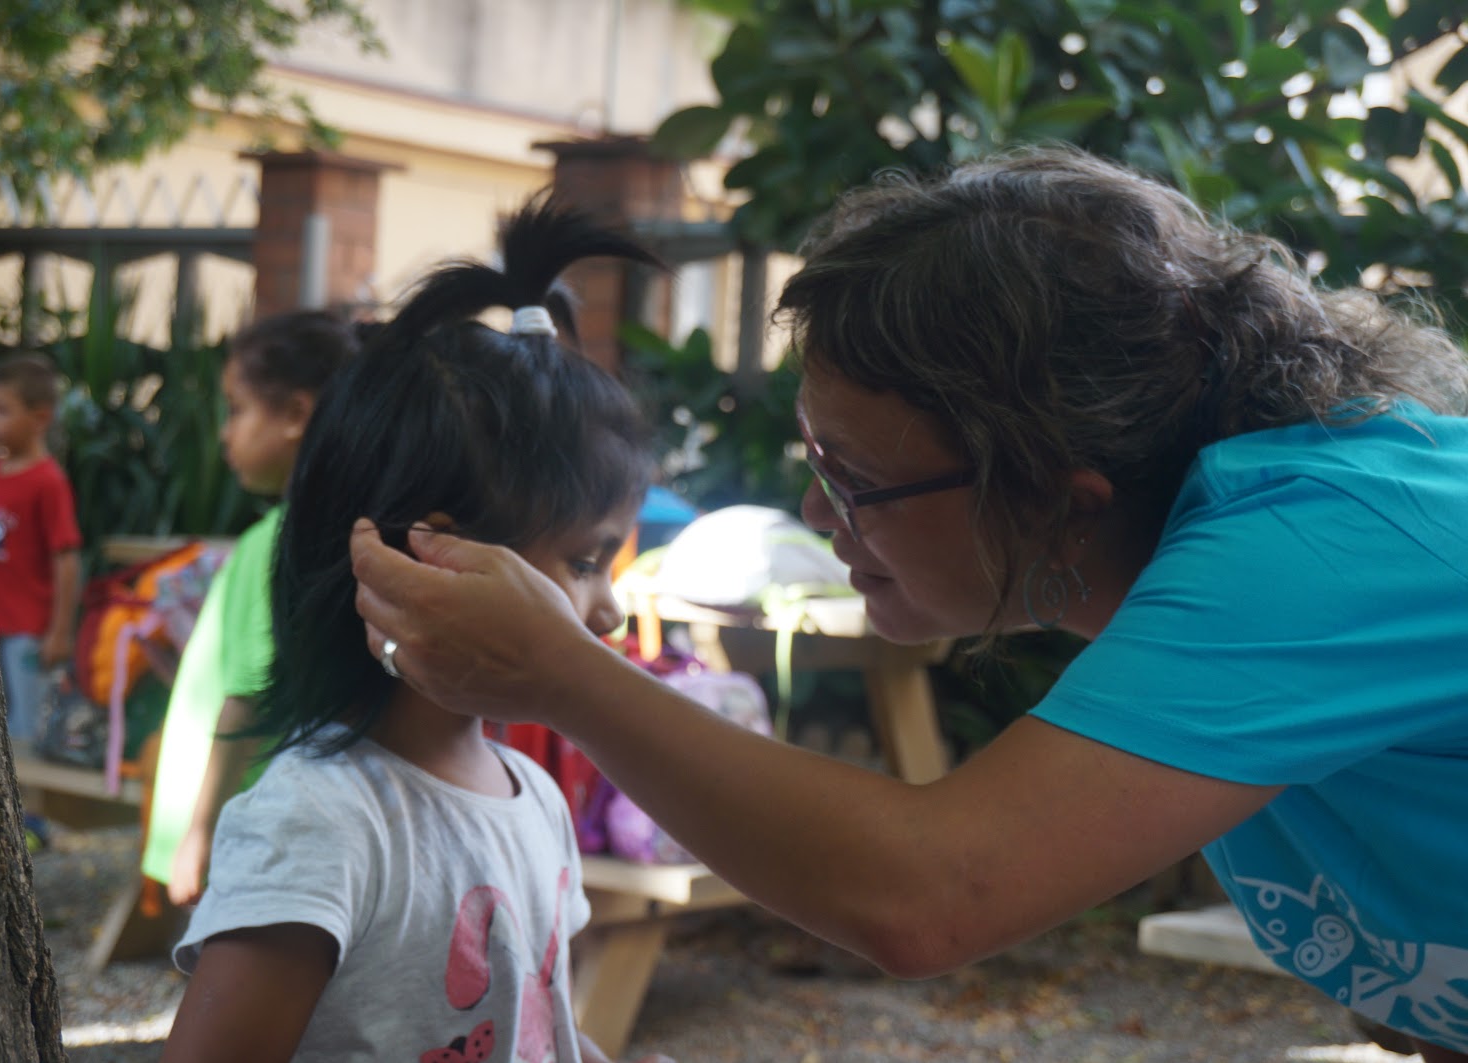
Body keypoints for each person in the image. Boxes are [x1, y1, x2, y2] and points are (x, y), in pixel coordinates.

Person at [349, 148, 1468, 1061]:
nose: (817, 507)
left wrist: (559, 673)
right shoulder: (1257, 564)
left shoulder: (1321, 548)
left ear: (1051, 495)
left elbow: (929, 895)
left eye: (855, 478)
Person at [161, 199, 674, 1063]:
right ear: (440, 559)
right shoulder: (320, 820)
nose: (612, 608)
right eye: (586, 560)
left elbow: (533, 1021)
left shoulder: (534, 797)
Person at [140, 310, 360, 905]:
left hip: (242, 829)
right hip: (266, 826)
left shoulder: (283, 543)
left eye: (236, 409)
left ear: (295, 414)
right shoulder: (334, 535)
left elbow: (252, 689)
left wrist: (202, 831)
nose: (224, 433)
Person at [0, 353, 83, 748]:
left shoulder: (48, 482)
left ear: (40, 417)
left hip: (29, 634)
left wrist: (59, 632)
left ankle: (27, 812)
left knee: (25, 731)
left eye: (2, 411)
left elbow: (66, 558)